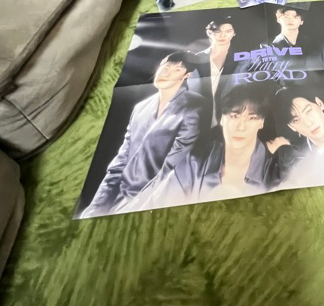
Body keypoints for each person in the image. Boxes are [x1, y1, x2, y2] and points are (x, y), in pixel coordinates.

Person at [81, 52, 204, 217]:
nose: (166, 73)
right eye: (165, 67)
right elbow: (120, 161)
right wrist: (97, 206)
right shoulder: (141, 108)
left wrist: (137, 205)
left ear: (186, 76)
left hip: (155, 199)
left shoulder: (194, 106)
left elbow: (172, 168)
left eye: (176, 70)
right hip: (121, 194)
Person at [129, 84, 275, 209]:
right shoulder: (194, 162)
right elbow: (157, 206)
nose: (241, 127)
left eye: (252, 118)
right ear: (222, 119)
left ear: (261, 122)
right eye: (234, 116)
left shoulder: (276, 168)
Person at [187, 17, 241, 127]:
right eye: (217, 32)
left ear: (234, 33)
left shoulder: (242, 60)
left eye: (228, 31)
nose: (222, 36)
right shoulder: (195, 59)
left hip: (229, 121)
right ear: (209, 33)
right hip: (197, 120)